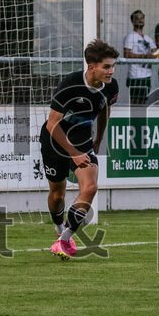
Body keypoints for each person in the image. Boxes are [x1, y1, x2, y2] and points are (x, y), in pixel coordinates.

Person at [40, 39, 119, 261]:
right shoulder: (70, 85)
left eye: (113, 66)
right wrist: (73, 153)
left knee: (90, 187)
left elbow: (104, 110)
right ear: (91, 67)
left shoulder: (111, 86)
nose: (111, 71)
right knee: (57, 194)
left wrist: (99, 138)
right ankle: (59, 228)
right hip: (55, 140)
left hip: (83, 139)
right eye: (106, 67)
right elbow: (52, 124)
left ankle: (64, 240)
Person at [122, 10, 158, 105]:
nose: (140, 20)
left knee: (142, 103)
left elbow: (156, 54)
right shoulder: (130, 36)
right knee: (135, 103)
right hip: (135, 76)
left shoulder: (147, 38)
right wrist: (145, 56)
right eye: (137, 18)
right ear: (132, 21)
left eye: (142, 18)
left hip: (147, 75)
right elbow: (126, 54)